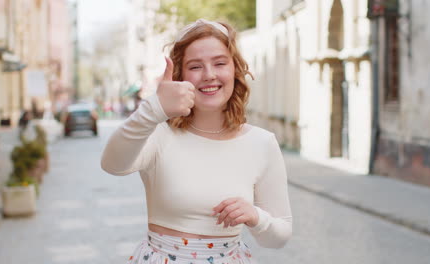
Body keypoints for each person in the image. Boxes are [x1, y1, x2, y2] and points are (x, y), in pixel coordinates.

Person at [101, 19, 292, 264]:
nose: (209, 75)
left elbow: (279, 237)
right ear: (181, 75)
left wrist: (256, 217)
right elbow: (112, 164)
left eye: (220, 63)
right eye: (195, 66)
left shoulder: (262, 143)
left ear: (235, 69)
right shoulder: (159, 134)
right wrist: (154, 108)